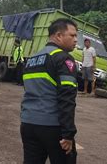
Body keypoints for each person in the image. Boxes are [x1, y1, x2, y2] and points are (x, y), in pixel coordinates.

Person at [20, 18, 78, 163]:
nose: (76, 40)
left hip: (28, 124)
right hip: (52, 126)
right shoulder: (63, 58)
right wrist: (68, 134)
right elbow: (67, 98)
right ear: (58, 35)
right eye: (72, 35)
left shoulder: (32, 59)